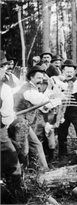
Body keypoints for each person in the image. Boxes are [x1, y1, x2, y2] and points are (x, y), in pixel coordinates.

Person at [9, 65, 57, 170]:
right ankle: (41, 170)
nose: (41, 80)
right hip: (18, 121)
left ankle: (35, 168)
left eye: (42, 78)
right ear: (31, 77)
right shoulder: (28, 90)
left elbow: (43, 107)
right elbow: (45, 102)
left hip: (23, 121)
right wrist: (57, 97)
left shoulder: (34, 88)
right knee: (30, 146)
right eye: (38, 78)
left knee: (32, 145)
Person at [0, 59, 22, 195]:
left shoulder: (6, 87)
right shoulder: (4, 88)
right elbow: (6, 115)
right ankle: (16, 192)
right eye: (3, 68)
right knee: (11, 156)